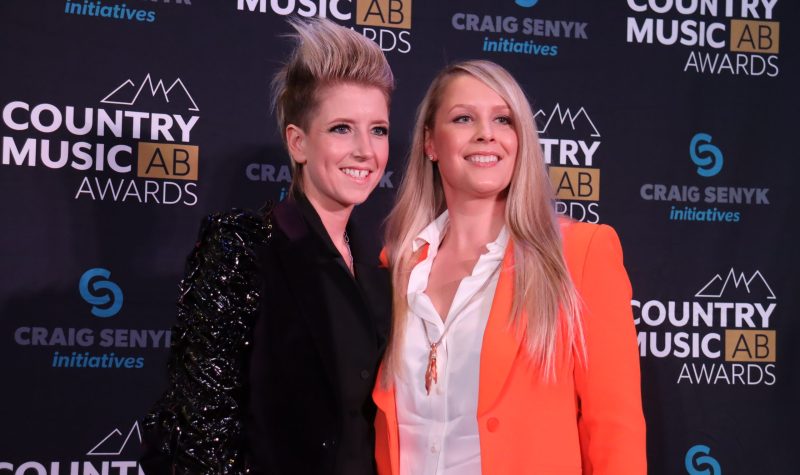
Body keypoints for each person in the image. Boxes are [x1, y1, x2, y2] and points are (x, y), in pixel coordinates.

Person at [142, 18, 394, 475]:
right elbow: (199, 428)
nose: (365, 150)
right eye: (341, 128)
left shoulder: (384, 266)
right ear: (298, 142)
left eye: (378, 129)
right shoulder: (242, 247)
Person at [372, 60, 646, 474]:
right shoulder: (397, 267)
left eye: (503, 119)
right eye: (463, 118)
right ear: (430, 143)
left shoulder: (580, 255)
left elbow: (615, 431)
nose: (486, 133)